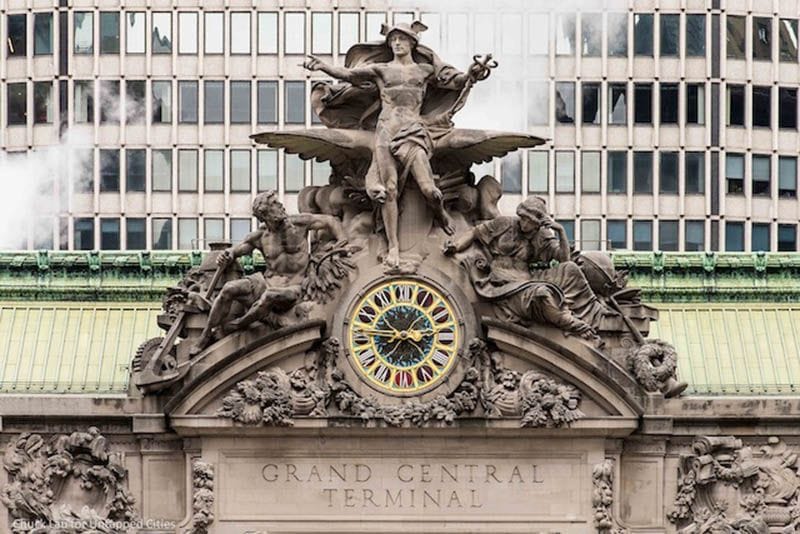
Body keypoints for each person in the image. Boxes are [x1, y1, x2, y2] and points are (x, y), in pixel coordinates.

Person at [303, 21, 485, 267]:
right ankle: (393, 247)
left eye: (401, 39)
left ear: (412, 42)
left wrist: (473, 73)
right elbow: (348, 75)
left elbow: (456, 81)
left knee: (429, 189)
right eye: (393, 40)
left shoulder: (424, 70)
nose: (397, 44)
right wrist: (323, 67)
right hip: (386, 130)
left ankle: (440, 212)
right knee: (388, 191)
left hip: (414, 131)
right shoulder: (381, 70)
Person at [190, 191, 344, 356]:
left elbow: (331, 221)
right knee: (229, 288)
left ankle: (238, 325)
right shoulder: (260, 235)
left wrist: (343, 241)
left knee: (269, 295)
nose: (281, 206)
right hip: (264, 282)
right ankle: (206, 334)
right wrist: (229, 253)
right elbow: (239, 249)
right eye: (275, 205)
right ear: (265, 214)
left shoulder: (298, 224)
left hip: (293, 288)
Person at [444, 196, 615, 340]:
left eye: (530, 221)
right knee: (542, 293)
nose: (525, 224)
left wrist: (560, 231)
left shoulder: (541, 236)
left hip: (526, 278)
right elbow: (475, 232)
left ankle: (595, 311)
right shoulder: (505, 223)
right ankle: (566, 321)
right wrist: (456, 246)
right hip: (503, 281)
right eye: (523, 218)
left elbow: (564, 259)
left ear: (539, 223)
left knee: (570, 269)